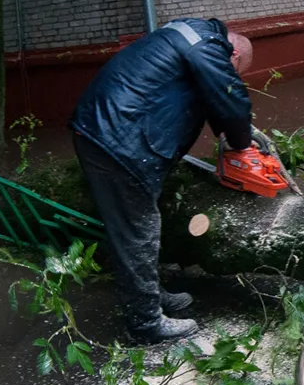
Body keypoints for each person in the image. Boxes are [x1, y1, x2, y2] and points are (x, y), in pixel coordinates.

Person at [70, 18, 255, 343]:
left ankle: (150, 296)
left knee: (136, 227)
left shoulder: (191, 36)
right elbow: (228, 94)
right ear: (234, 55)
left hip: (109, 130)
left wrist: (229, 133)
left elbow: (208, 95)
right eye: (236, 70)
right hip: (118, 140)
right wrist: (243, 142)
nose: (233, 75)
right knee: (138, 232)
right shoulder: (207, 47)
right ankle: (145, 323)